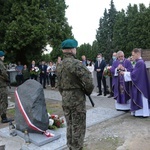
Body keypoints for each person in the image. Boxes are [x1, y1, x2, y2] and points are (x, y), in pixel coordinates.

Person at [56, 39, 94, 150]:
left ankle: (71, 146)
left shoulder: (59, 65)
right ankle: (77, 148)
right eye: (75, 48)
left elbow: (58, 85)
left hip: (65, 98)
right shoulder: (77, 64)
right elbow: (89, 82)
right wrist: (87, 91)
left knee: (70, 124)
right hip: (77, 97)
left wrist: (64, 94)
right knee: (79, 125)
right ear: (72, 50)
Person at [121, 48, 150, 117]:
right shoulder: (139, 62)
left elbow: (134, 74)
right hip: (140, 83)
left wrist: (124, 73)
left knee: (141, 98)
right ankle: (140, 113)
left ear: (138, 54)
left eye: (133, 55)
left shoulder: (140, 63)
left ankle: (142, 113)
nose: (132, 57)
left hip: (140, 85)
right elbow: (134, 72)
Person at [0, 51, 14, 123]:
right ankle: (4, 117)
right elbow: (4, 73)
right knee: (4, 101)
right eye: (3, 56)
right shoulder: (1, 64)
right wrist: (7, 79)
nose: (4, 57)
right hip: (2, 85)